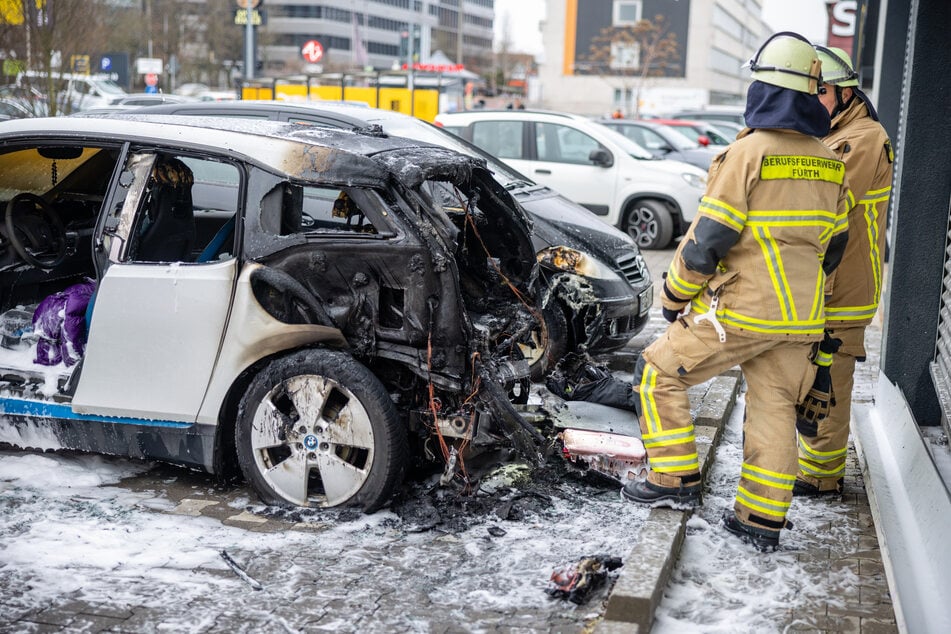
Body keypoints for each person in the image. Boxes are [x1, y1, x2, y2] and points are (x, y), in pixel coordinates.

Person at [619, 32, 853, 551]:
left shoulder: (745, 155)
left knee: (656, 373)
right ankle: (760, 519)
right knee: (773, 408)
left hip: (741, 311)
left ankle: (673, 478)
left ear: (763, 90)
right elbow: (833, 249)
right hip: (802, 317)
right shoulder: (831, 162)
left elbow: (707, 240)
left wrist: (675, 297)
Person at [794, 47, 894, 496]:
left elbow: (823, 199)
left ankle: (820, 476)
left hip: (846, 291)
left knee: (827, 385)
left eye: (821, 91)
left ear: (845, 92)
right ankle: (813, 466)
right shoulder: (833, 133)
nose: (812, 99)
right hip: (828, 284)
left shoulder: (863, 138)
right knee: (812, 377)